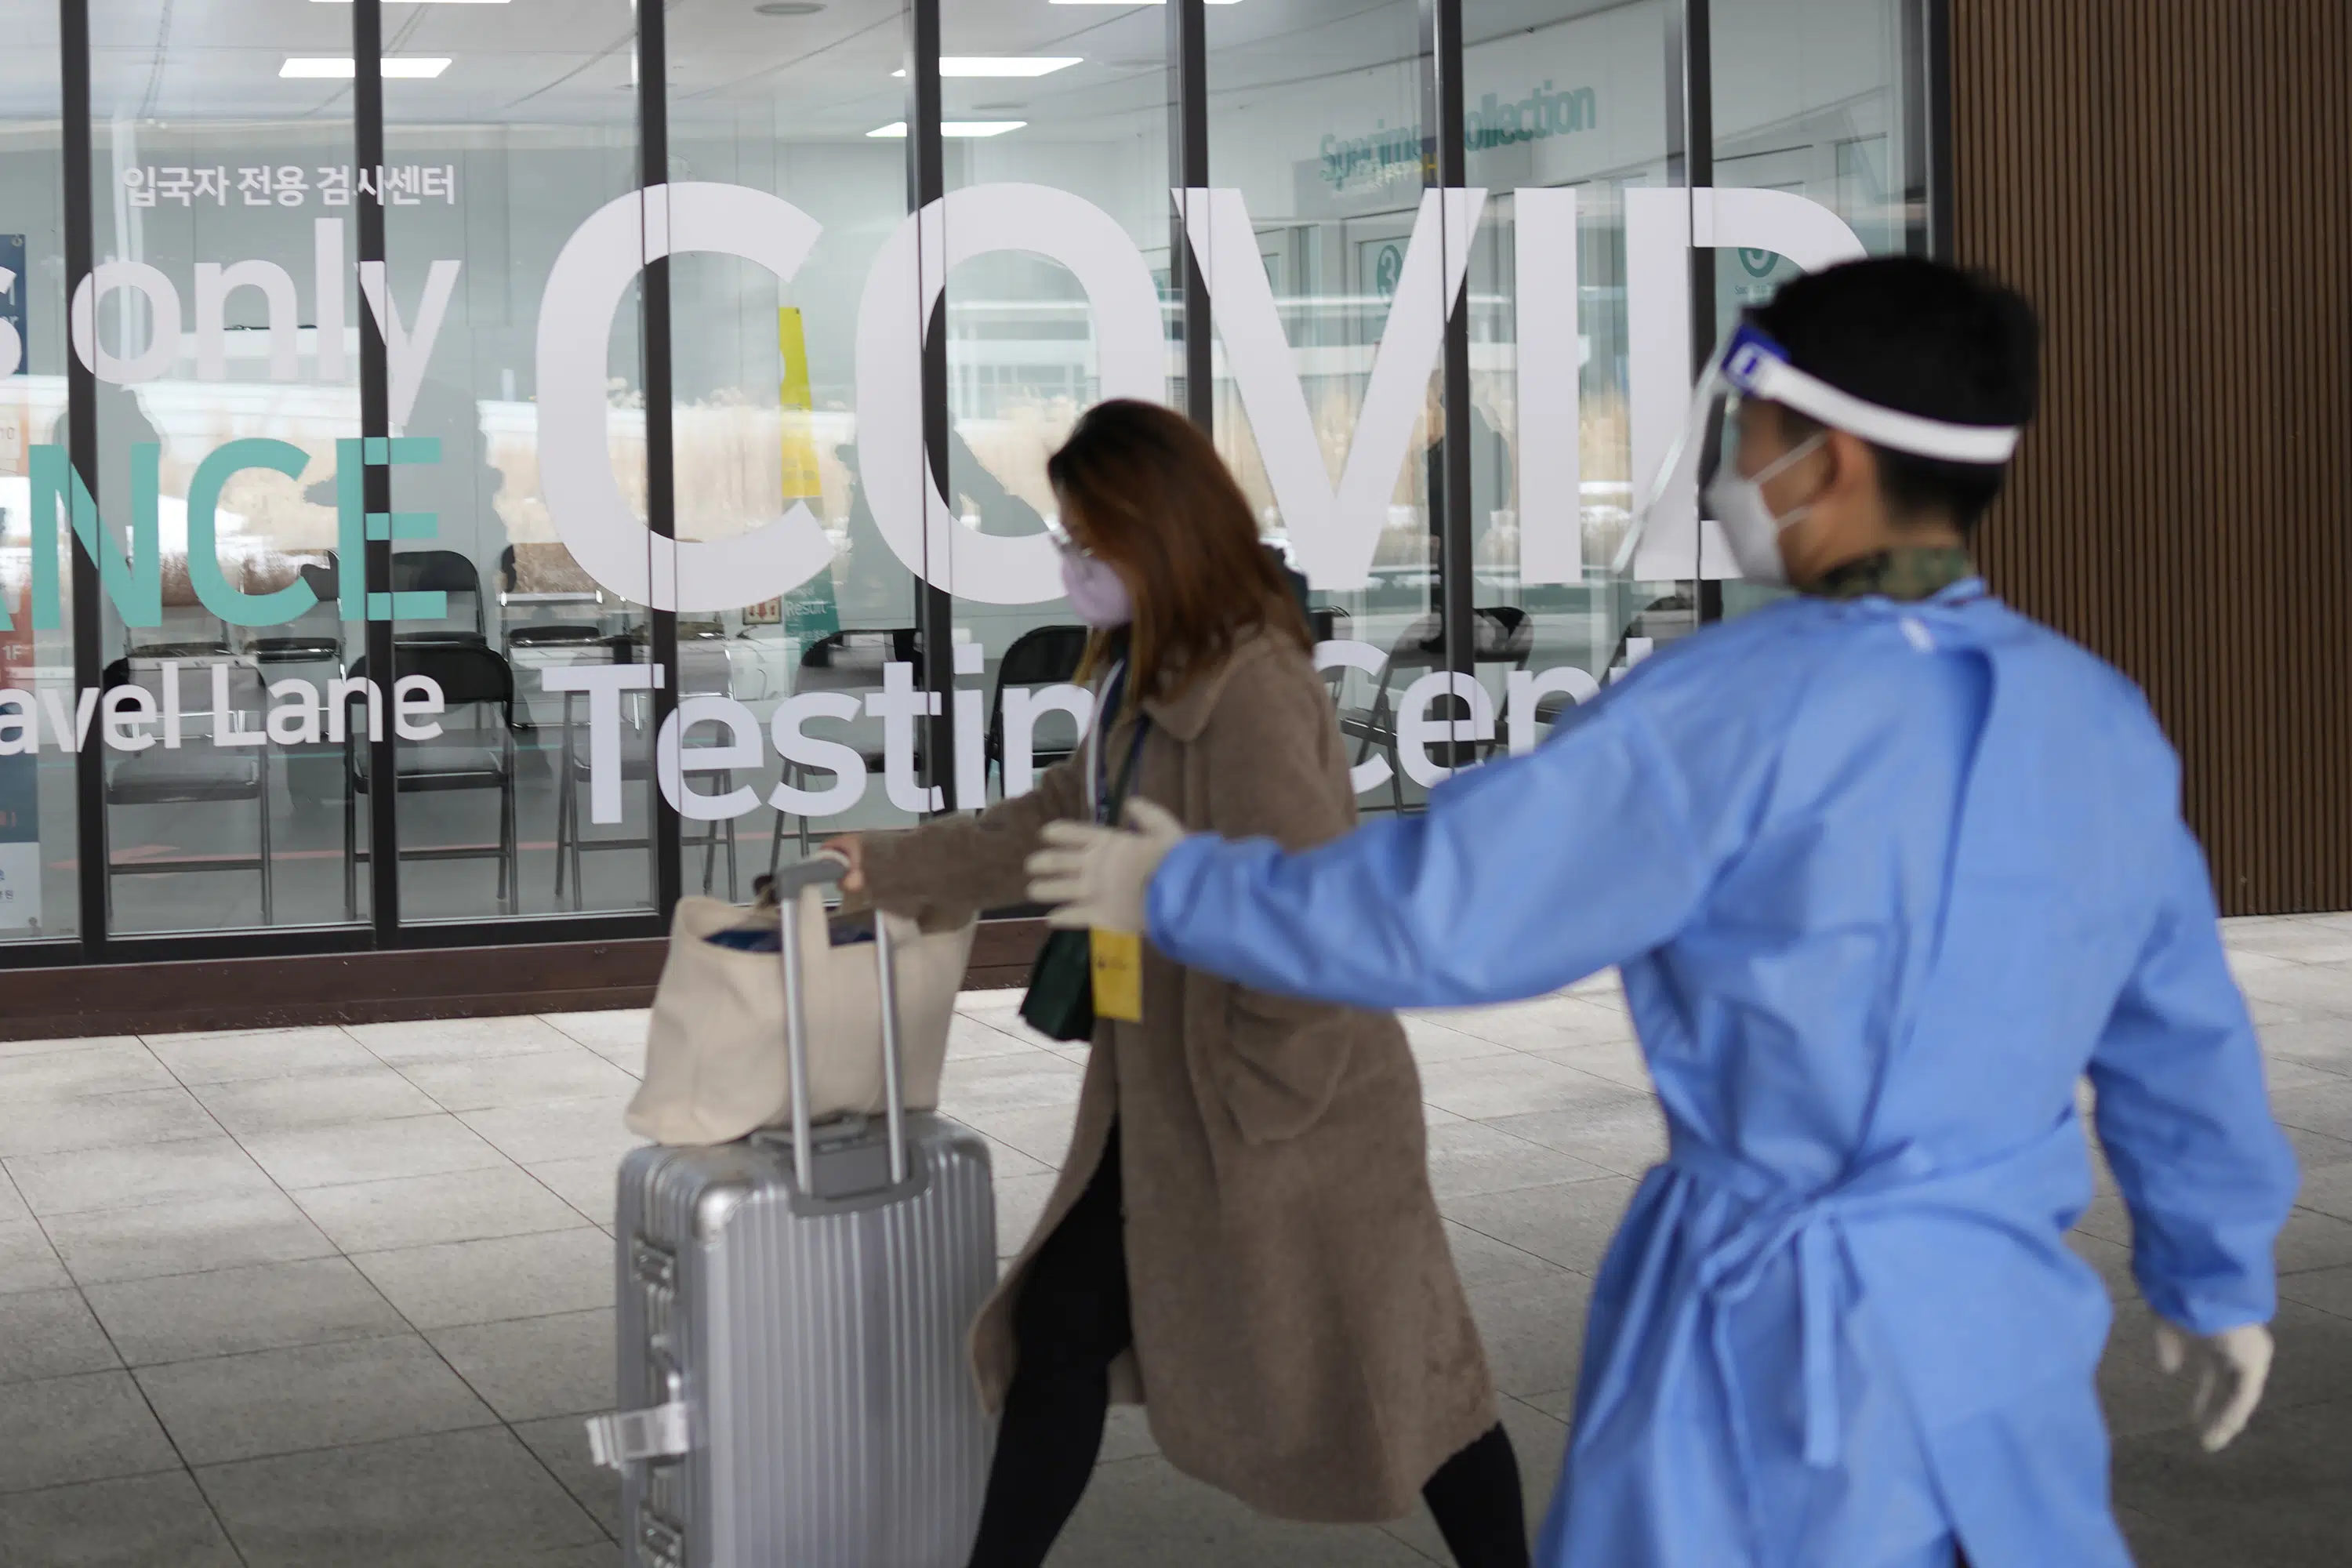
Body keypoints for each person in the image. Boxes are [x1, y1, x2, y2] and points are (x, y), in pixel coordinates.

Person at [1022, 258, 2299, 1568]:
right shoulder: (2094, 717)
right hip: (1999, 1346)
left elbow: (1450, 907)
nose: (1725, 473)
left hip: (1759, 1354)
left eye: (1744, 438)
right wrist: (2215, 1278)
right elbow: (2179, 1033)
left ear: (1829, 461)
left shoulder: (1729, 711)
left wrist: (1181, 887)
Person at [826, 397, 1531, 1568]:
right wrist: (891, 866)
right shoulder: (1149, 671)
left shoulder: (1251, 691)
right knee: (1059, 1335)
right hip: (1164, 1097)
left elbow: (1317, 915)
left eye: (1084, 543)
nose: (1068, 565)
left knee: (1418, 1379)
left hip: (1290, 1111)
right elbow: (1061, 817)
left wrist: (1262, 1097)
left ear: (1157, 536)